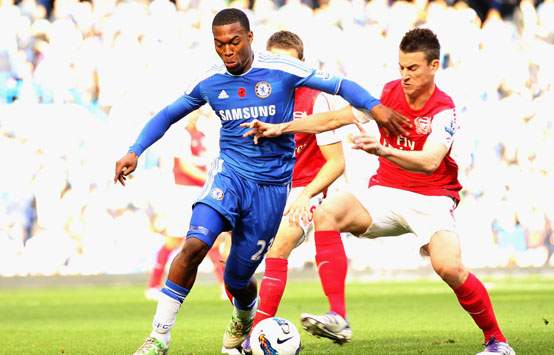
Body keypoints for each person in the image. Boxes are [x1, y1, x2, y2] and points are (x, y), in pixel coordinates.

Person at [113, 8, 408, 355]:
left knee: (238, 279)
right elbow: (167, 114)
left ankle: (245, 315)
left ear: (250, 38)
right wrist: (135, 150)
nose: (227, 51)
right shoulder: (211, 80)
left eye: (234, 42)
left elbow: (340, 84)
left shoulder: (281, 70)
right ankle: (159, 337)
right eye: (220, 44)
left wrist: (376, 107)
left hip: (271, 190)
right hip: (230, 175)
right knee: (194, 245)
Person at [242, 28, 515, 355]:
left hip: (431, 198)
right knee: (328, 212)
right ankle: (338, 316)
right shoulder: (389, 94)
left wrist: (383, 151)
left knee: (449, 267)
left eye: (413, 68)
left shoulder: (444, 109)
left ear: (433, 66)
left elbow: (430, 161)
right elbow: (333, 119)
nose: (405, 75)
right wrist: (281, 128)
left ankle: (497, 341)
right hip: (385, 191)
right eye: (401, 67)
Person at [241, 30, 346, 353]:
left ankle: (258, 332)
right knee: (232, 258)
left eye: (289, 64)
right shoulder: (255, 100)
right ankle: (243, 324)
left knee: (281, 244)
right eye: (274, 62)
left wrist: (306, 195)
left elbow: (336, 162)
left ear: (302, 65)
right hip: (268, 189)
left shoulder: (316, 98)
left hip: (307, 189)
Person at [145, 115, 229, 302]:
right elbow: (184, 166)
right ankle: (153, 285)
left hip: (199, 191)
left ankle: (224, 285)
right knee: (173, 240)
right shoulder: (179, 135)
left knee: (211, 239)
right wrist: (210, 179)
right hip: (183, 193)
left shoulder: (202, 133)